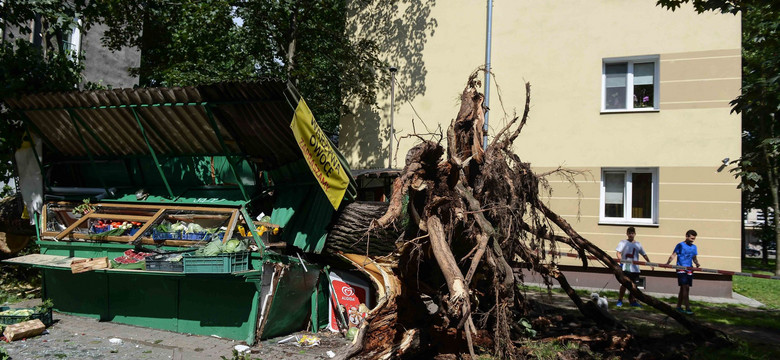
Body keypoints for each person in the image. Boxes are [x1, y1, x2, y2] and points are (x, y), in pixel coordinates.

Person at [615, 227, 652, 307]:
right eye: (629, 233)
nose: (631, 235)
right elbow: (618, 253)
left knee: (634, 286)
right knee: (624, 284)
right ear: (627, 234)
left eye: (632, 233)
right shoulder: (623, 242)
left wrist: (649, 263)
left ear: (635, 234)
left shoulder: (638, 244)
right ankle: (620, 300)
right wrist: (621, 261)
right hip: (626, 267)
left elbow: (644, 254)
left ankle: (632, 301)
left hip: (635, 268)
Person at [666, 229, 700, 315]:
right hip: (681, 268)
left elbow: (694, 258)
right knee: (686, 287)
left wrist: (697, 263)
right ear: (687, 236)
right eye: (691, 238)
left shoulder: (694, 247)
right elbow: (673, 255)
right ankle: (687, 308)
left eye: (694, 239)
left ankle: (678, 306)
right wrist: (667, 263)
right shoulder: (680, 245)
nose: (692, 240)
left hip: (689, 269)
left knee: (683, 288)